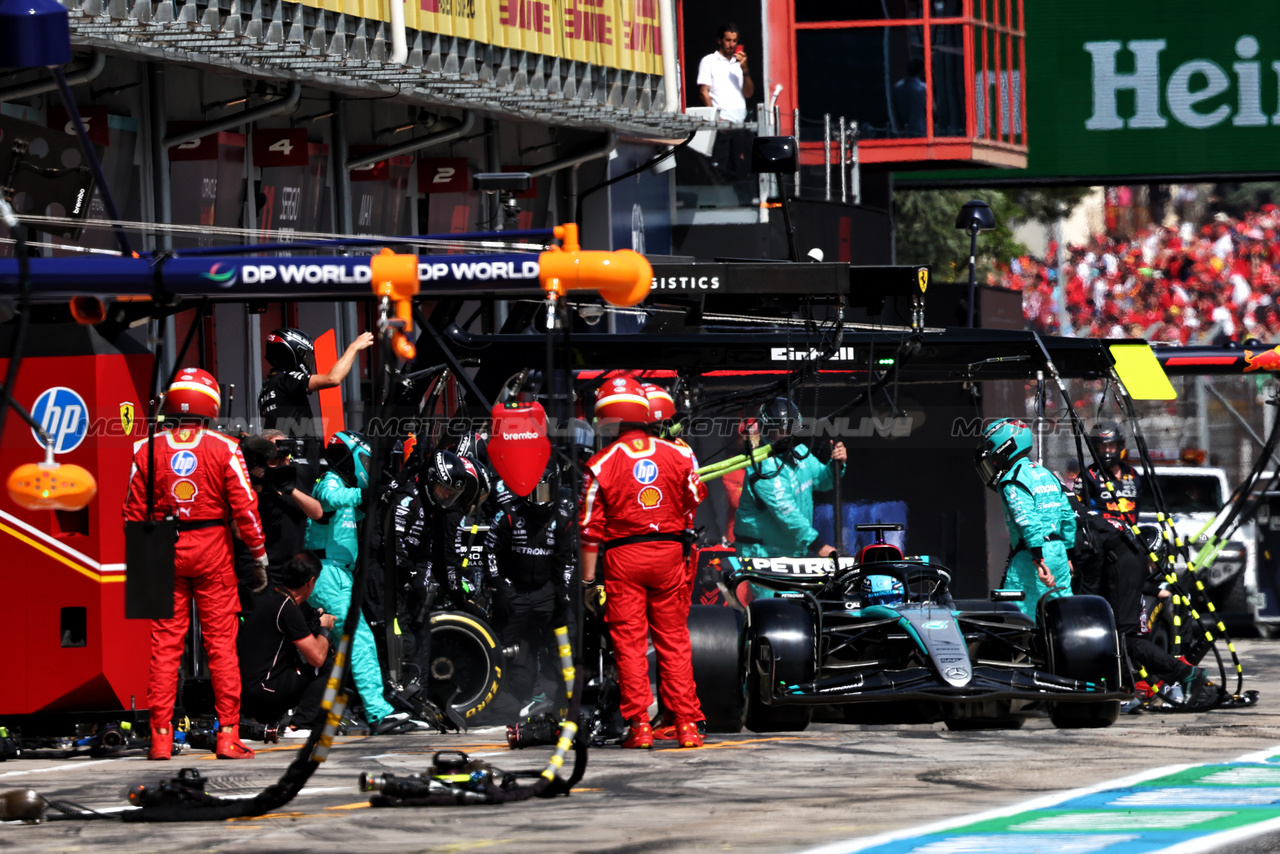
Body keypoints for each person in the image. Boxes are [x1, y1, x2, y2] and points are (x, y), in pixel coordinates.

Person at [124, 367, 265, 761]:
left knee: (164, 647)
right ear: (212, 404)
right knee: (221, 646)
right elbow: (245, 509)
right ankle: (228, 736)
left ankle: (160, 738)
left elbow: (132, 512)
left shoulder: (144, 448)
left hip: (161, 550)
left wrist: (142, 566)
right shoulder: (225, 448)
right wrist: (259, 555)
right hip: (213, 551)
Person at [580, 375, 707, 749]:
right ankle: (685, 725)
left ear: (607, 417)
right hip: (669, 554)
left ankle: (639, 727)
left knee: (630, 643)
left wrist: (589, 583)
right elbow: (695, 496)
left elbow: (589, 529)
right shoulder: (680, 453)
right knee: (674, 640)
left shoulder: (601, 463)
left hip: (624, 558)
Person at [1073, 420, 1209, 699]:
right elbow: (1080, 520)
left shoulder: (1133, 476)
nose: (1107, 451)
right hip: (1100, 556)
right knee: (1107, 627)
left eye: (1111, 445)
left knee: (1126, 633)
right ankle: (1148, 680)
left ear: (1121, 447)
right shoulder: (1086, 478)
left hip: (1128, 555)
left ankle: (1169, 677)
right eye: (1102, 446)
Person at [304, 431, 420, 733]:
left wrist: (396, 481)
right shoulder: (330, 482)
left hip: (338, 573)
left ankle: (366, 707)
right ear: (350, 457)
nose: (367, 467)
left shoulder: (345, 486)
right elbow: (334, 500)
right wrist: (371, 492)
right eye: (365, 460)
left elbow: (365, 503)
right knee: (359, 637)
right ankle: (378, 712)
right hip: (327, 573)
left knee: (354, 640)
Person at [485, 461, 576, 721]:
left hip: (548, 590)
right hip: (515, 591)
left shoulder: (563, 518)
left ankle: (563, 700)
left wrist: (563, 591)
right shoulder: (509, 514)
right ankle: (506, 699)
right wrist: (499, 589)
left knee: (562, 645)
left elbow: (569, 559)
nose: (539, 500)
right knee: (510, 652)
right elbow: (490, 551)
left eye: (544, 492)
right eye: (533, 492)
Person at [975, 417, 1075, 622]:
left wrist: (1039, 560)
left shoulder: (1012, 479)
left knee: (1015, 621)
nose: (992, 457)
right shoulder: (1047, 474)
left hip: (1031, 559)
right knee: (1064, 619)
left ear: (1005, 446)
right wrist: (1069, 554)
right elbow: (1068, 516)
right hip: (1059, 555)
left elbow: (1027, 521)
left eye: (993, 449)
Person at [733, 398, 847, 558]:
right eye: (780, 431)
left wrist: (836, 465)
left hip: (791, 550)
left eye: (790, 429)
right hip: (761, 553)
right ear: (767, 431)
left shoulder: (800, 450)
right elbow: (786, 512)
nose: (786, 435)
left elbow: (823, 480)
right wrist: (818, 546)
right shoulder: (763, 466)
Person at [239, 551, 335, 736]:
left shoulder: (272, 599)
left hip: (248, 693)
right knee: (330, 665)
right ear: (310, 582)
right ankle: (300, 725)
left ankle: (259, 719)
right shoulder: (287, 608)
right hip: (263, 692)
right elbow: (317, 658)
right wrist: (324, 628)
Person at [234, 431, 323, 606]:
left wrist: (288, 487)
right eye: (275, 453)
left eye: (285, 452)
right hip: (261, 570)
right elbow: (239, 530)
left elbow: (317, 512)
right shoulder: (249, 484)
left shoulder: (291, 479)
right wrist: (258, 486)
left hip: (290, 573)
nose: (282, 458)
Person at [259, 327, 374, 439]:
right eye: (305, 355)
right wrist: (354, 347)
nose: (307, 361)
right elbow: (333, 379)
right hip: (299, 456)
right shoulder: (286, 379)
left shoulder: (267, 389)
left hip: (285, 454)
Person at [697, 23, 753, 123]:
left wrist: (745, 70)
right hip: (721, 121)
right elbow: (703, 92)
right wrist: (715, 119)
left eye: (734, 41)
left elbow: (748, 94)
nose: (731, 45)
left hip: (740, 121)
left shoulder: (739, 64)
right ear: (719, 40)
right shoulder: (709, 61)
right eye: (728, 40)